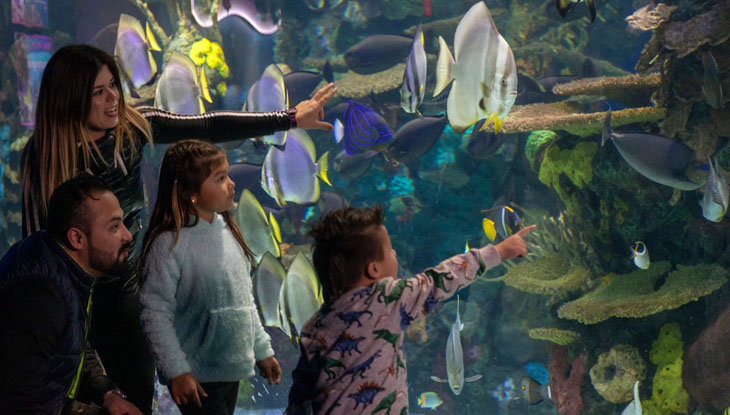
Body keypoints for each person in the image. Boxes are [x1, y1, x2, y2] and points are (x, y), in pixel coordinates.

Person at [20, 44, 336, 413]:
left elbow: (209, 124)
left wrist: (290, 118)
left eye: (113, 86)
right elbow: (35, 247)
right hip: (66, 299)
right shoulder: (44, 156)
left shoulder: (133, 128)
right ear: (69, 99)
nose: (113, 100)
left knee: (134, 401)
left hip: (123, 293)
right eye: (97, 92)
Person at [285, 206, 536, 414]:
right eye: (390, 250)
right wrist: (500, 251)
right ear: (374, 270)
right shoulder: (388, 300)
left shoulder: (314, 326)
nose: (394, 253)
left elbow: (300, 394)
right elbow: (442, 278)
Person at [138, 139, 282, 415]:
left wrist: (262, 350)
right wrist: (176, 371)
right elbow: (154, 313)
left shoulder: (228, 234)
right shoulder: (169, 244)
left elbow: (244, 301)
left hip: (231, 368)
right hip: (197, 376)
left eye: (227, 175)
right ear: (192, 192)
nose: (232, 183)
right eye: (221, 178)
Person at [0, 174, 142, 415]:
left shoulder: (65, 268)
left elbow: (71, 342)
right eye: (114, 226)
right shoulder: (40, 296)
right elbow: (20, 403)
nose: (128, 236)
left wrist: (107, 393)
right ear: (77, 238)